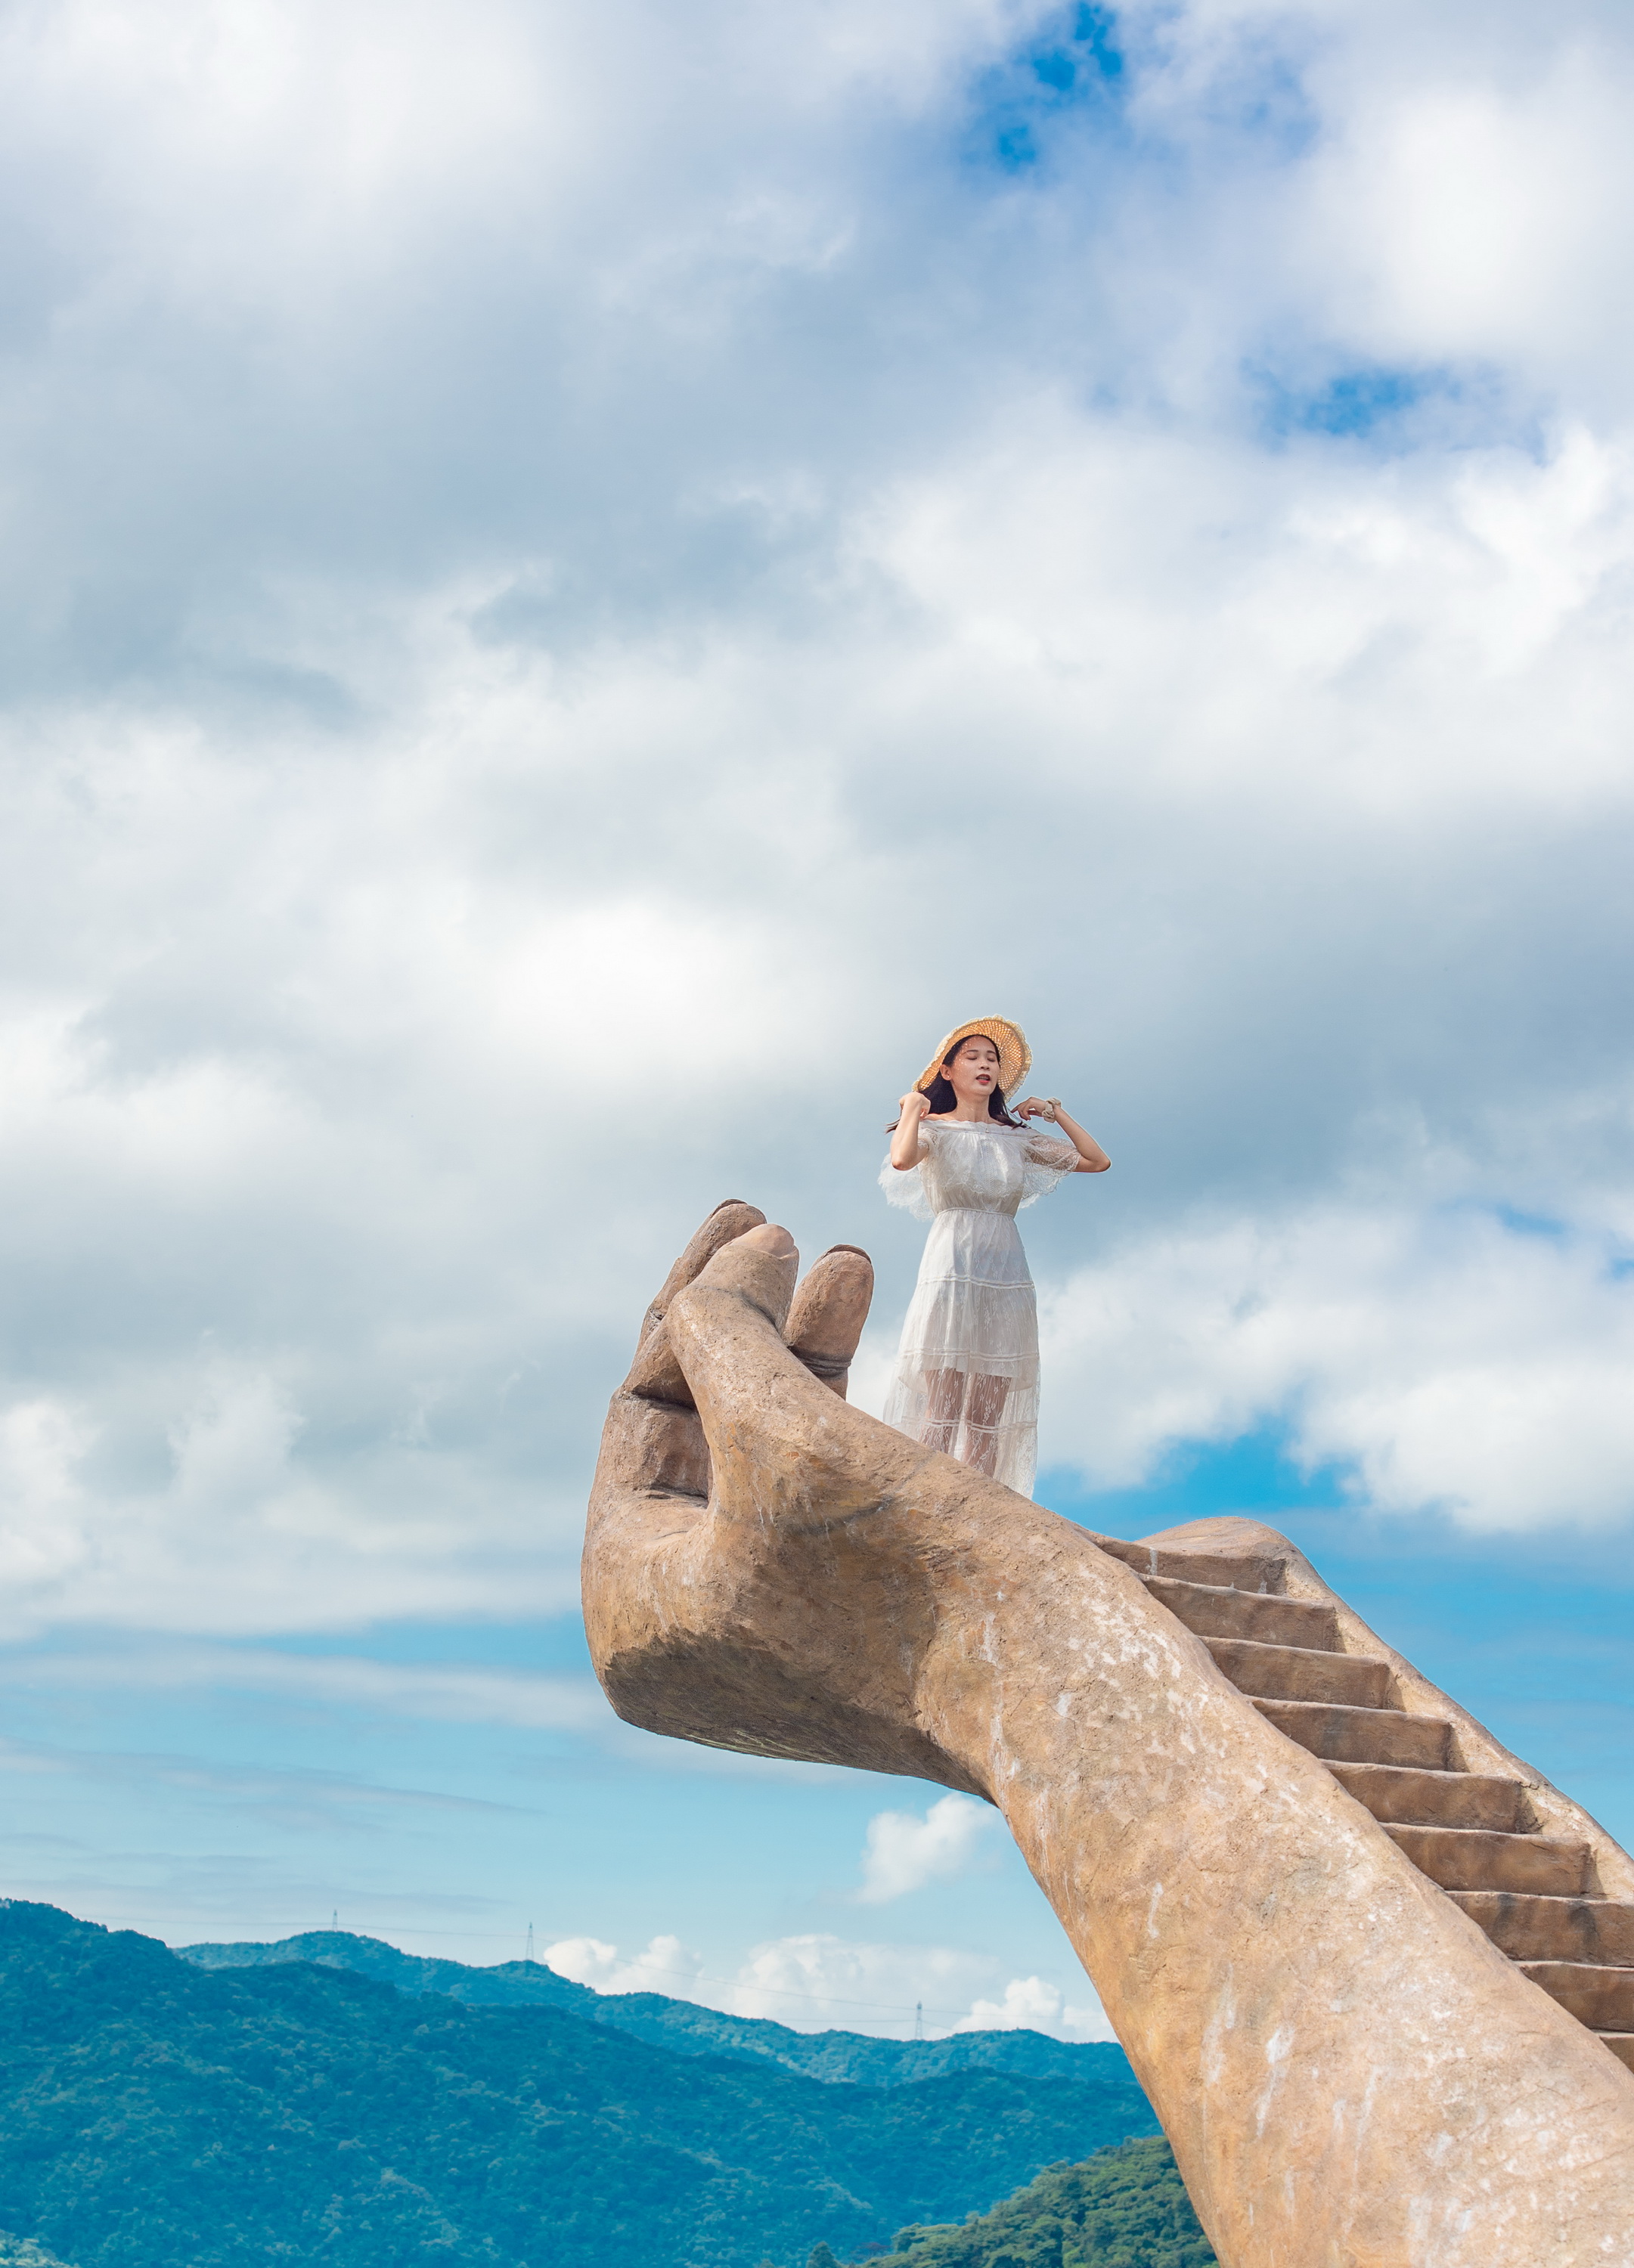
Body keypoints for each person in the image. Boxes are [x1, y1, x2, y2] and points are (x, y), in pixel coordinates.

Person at [879, 1017, 1109, 1498]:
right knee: (942, 1402)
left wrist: (1054, 1112)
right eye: (972, 1056)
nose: (985, 1064)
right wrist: (914, 1108)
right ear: (947, 1071)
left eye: (993, 1058)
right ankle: (924, 1500)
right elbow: (902, 1159)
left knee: (989, 1410)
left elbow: (1095, 1160)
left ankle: (979, 1507)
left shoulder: (1015, 1137)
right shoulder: (935, 1130)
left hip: (1005, 1266)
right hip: (951, 1261)